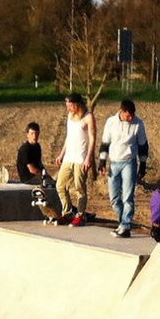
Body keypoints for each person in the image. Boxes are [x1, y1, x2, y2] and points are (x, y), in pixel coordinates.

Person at [99, 99, 149, 237]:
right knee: (114, 198)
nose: (130, 118)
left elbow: (143, 145)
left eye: (132, 115)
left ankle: (126, 226)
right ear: (121, 111)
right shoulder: (111, 122)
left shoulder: (138, 124)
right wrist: (102, 162)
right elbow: (105, 143)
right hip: (114, 163)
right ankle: (123, 222)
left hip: (129, 162)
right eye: (128, 115)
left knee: (127, 196)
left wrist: (143, 164)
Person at [55, 94, 95, 227]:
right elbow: (69, 137)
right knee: (60, 185)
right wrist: (61, 154)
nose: (68, 109)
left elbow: (92, 139)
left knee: (79, 188)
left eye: (70, 106)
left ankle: (81, 215)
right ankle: (67, 213)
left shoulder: (88, 117)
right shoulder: (70, 117)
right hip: (68, 157)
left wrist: (89, 157)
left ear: (77, 104)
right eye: (67, 106)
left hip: (80, 158)